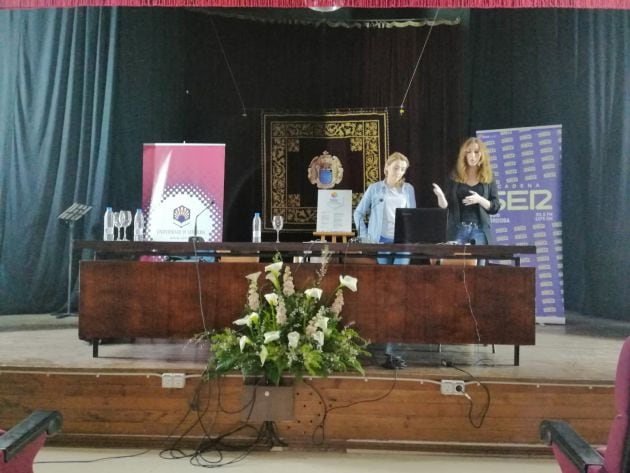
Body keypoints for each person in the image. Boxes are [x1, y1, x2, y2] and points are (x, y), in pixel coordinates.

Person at [432, 137, 501, 246]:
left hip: (480, 230)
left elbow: (495, 207)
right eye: (468, 152)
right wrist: (440, 195)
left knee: (478, 262)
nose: (472, 156)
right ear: (464, 155)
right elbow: (445, 206)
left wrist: (480, 199)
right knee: (457, 262)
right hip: (458, 229)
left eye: (476, 152)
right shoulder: (455, 176)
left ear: (482, 155)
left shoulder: (489, 177)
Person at [353, 152, 416, 264]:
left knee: (399, 274)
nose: (399, 172)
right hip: (381, 240)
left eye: (402, 169)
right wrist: (364, 236)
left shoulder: (408, 189)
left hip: (403, 241)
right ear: (387, 167)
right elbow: (358, 213)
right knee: (385, 276)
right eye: (396, 168)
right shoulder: (374, 188)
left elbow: (413, 216)